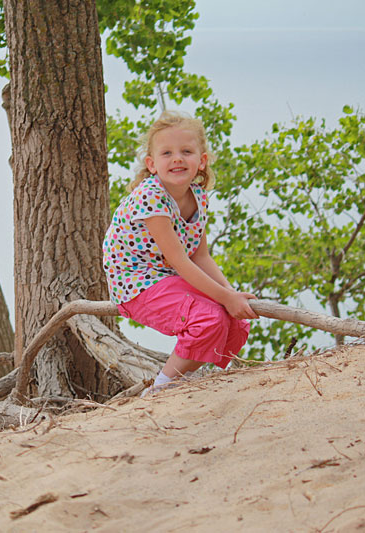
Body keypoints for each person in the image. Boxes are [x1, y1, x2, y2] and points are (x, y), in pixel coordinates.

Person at [102, 110, 257, 396]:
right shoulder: (151, 197)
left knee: (234, 320)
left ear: (202, 161)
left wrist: (230, 293)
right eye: (167, 153)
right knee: (208, 318)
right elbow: (180, 260)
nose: (177, 158)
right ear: (152, 164)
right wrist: (225, 297)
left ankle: (188, 379)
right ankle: (161, 388)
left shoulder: (198, 197)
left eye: (186, 151)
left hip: (167, 276)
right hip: (136, 282)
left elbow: (201, 257)